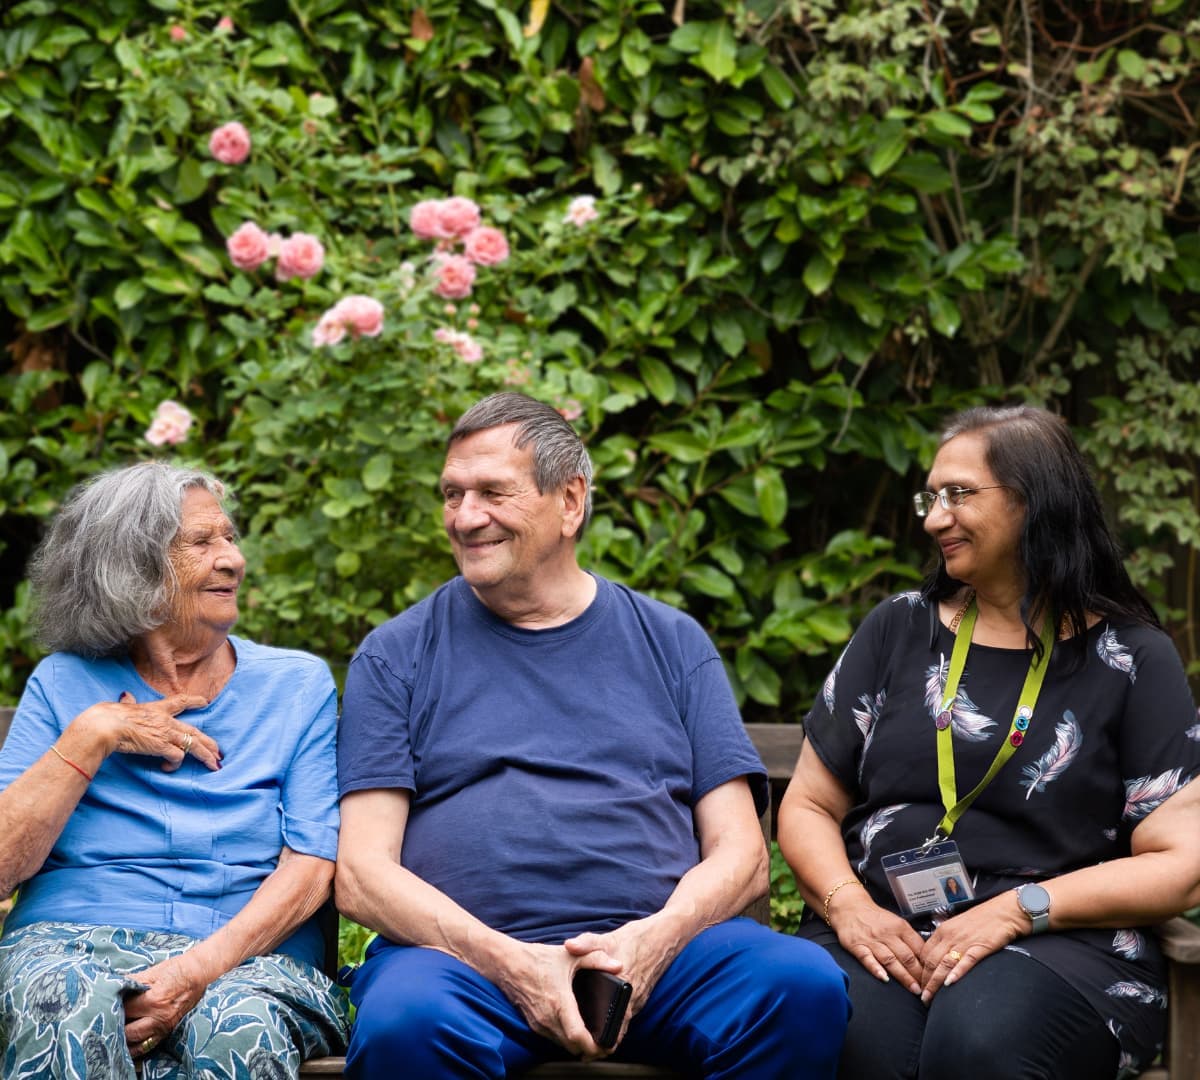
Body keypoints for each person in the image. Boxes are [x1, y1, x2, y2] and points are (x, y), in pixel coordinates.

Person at [335, 392, 849, 1078]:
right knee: (406, 1023)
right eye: (452, 494)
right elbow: (364, 874)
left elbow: (742, 852)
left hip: (664, 963)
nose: (465, 517)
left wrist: (652, 943)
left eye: (492, 492)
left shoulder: (671, 642)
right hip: (463, 969)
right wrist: (509, 962)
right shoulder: (396, 654)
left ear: (570, 501)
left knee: (798, 987)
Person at [778, 404, 1200, 1080]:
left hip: (1058, 939)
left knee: (979, 1044)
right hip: (879, 933)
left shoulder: (1131, 660)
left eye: (959, 494)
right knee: (851, 1041)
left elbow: (1179, 864)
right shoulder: (897, 630)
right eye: (931, 496)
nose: (933, 517)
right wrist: (849, 906)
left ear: (1036, 503)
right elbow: (806, 805)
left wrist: (1015, 911)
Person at [0, 463, 348, 1079]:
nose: (233, 560)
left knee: (239, 1029)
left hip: (247, 958)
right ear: (131, 570)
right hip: (69, 942)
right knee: (63, 1007)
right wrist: (93, 734)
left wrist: (196, 970)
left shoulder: (296, 685)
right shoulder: (62, 683)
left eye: (230, 537)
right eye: (202, 542)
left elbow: (312, 864)